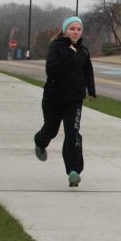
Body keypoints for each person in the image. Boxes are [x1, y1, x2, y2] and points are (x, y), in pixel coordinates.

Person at [33, 16, 97, 187]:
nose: (75, 32)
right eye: (72, 29)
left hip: (74, 100)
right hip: (53, 99)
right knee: (50, 130)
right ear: (65, 30)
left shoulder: (83, 51)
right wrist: (69, 54)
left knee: (73, 134)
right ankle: (40, 143)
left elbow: (87, 71)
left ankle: (73, 171)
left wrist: (91, 90)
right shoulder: (56, 47)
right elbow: (51, 71)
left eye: (78, 29)